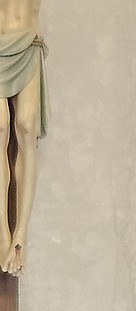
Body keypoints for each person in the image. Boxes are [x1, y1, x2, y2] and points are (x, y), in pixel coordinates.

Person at [0, 0, 47, 275]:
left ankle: (20, 235)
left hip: (28, 44)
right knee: (1, 126)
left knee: (27, 126)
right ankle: (3, 234)